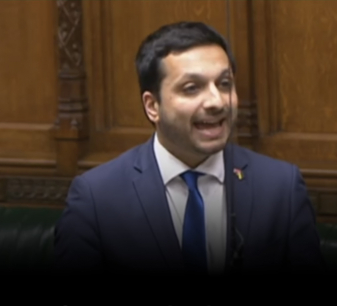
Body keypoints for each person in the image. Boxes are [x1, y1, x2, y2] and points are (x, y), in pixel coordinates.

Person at [54, 21, 325, 277]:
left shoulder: (281, 187)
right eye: (192, 88)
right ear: (152, 106)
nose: (217, 101)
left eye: (225, 84)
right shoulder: (97, 198)